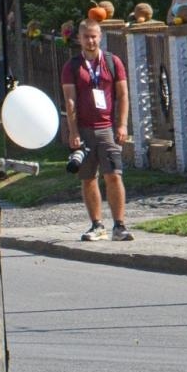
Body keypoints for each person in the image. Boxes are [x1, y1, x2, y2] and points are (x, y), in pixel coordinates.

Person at [61, 18, 131, 241]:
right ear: (79, 39)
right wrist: (73, 131)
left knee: (114, 175)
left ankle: (119, 226)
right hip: (84, 129)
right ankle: (97, 225)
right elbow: (70, 100)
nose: (90, 41)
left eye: (94, 36)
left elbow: (123, 95)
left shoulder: (112, 62)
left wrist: (122, 124)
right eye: (86, 37)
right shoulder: (72, 66)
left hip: (107, 129)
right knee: (89, 178)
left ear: (100, 37)